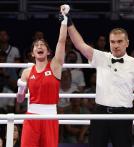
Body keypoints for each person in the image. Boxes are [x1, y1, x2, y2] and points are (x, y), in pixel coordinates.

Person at [61, 4, 134, 147]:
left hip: (123, 114)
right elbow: (79, 44)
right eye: (113, 42)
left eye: (120, 41)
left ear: (127, 43)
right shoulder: (102, 57)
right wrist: (68, 20)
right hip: (100, 112)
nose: (116, 45)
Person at [16, 5, 69, 147]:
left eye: (42, 44)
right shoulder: (27, 72)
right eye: (36, 45)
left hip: (50, 117)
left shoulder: (55, 66)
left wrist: (64, 19)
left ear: (48, 52)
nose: (39, 46)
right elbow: (20, 100)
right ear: (32, 53)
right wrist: (20, 89)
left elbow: (61, 41)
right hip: (31, 117)